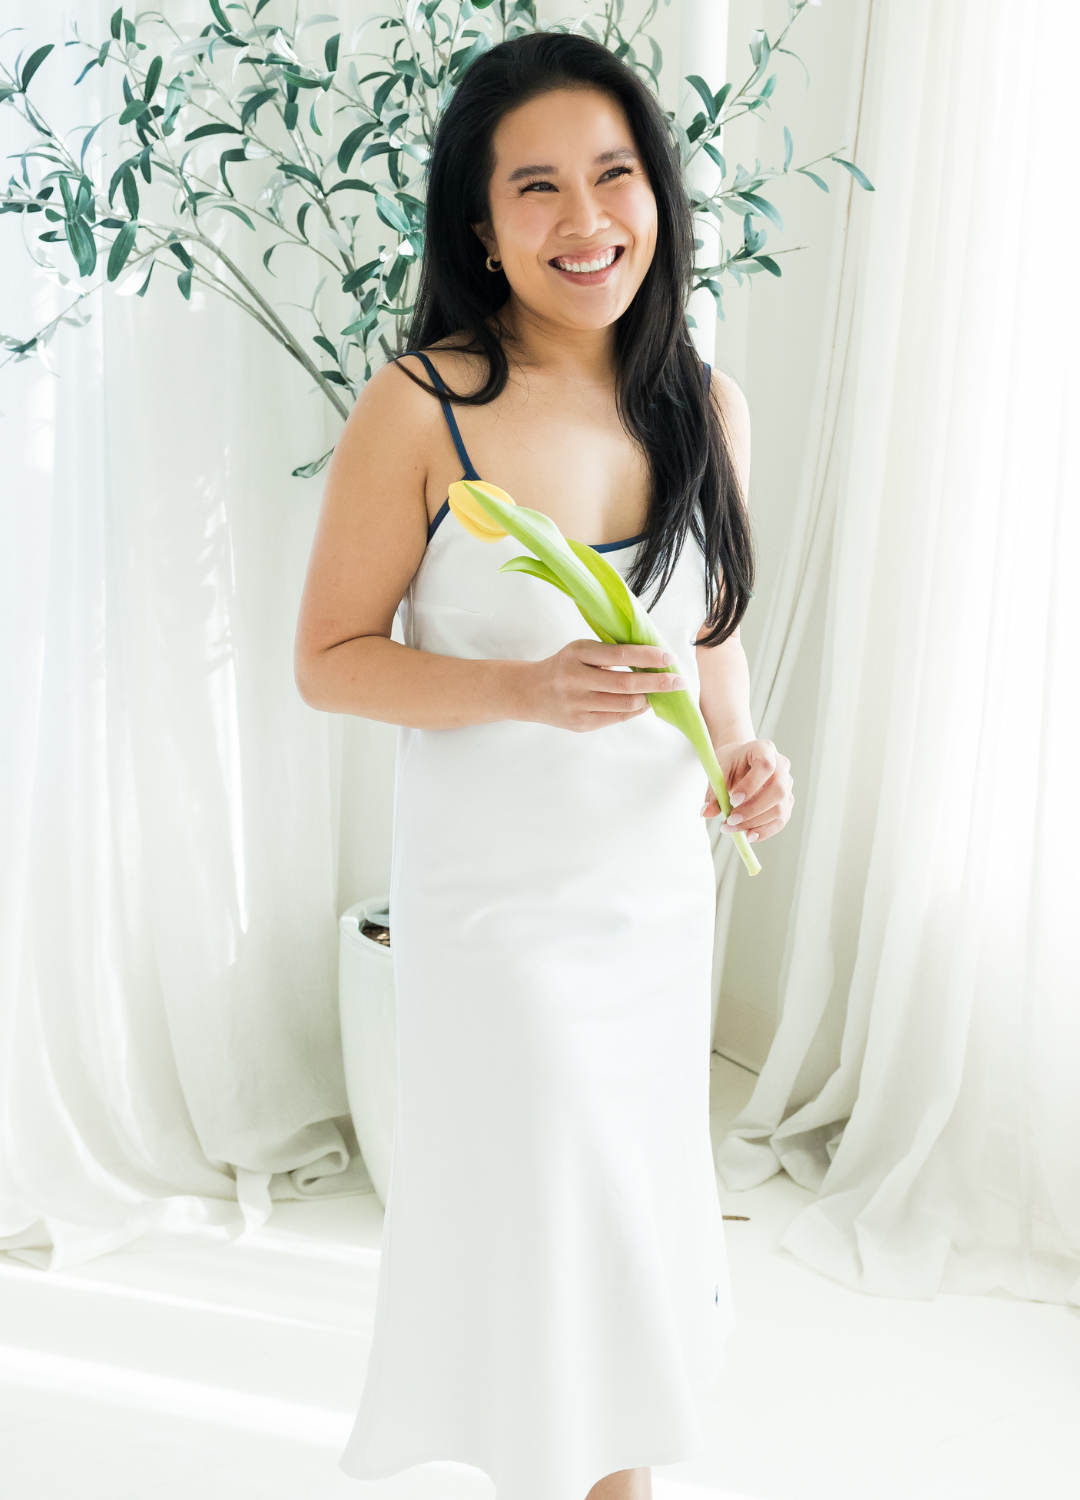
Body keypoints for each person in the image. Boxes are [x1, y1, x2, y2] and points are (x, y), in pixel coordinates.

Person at [294, 30, 794, 1500]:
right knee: (546, 1226)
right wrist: (525, 686)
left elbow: (705, 640)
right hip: (499, 915)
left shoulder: (704, 405)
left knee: (628, 1227)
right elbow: (329, 659)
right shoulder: (424, 405)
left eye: (614, 176)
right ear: (480, 224)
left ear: (659, 195)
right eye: (538, 189)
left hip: (648, 905)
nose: (587, 223)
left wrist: (748, 752)